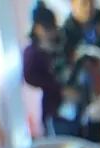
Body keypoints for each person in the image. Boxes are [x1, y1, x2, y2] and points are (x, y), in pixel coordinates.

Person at [22, 2, 64, 136]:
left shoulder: (60, 46)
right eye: (47, 29)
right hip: (49, 107)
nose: (50, 33)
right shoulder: (32, 52)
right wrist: (56, 86)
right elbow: (29, 77)